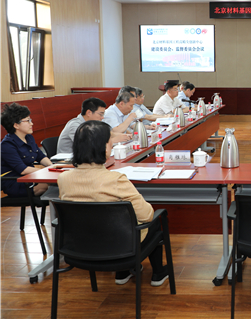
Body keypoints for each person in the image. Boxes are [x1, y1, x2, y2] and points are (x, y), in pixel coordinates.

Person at [57, 120, 170, 286]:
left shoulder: (63, 178)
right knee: (154, 221)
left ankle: (123, 272)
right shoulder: (115, 179)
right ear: (104, 148)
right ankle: (158, 273)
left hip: (80, 246)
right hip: (119, 247)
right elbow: (146, 215)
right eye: (110, 141)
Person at [1, 103, 51, 197]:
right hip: (15, 181)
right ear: (16, 125)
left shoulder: (29, 138)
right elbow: (23, 170)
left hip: (30, 177)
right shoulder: (7, 145)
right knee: (53, 185)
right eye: (28, 121)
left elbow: (41, 156)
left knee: (56, 183)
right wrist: (46, 172)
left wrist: (52, 166)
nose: (31, 123)